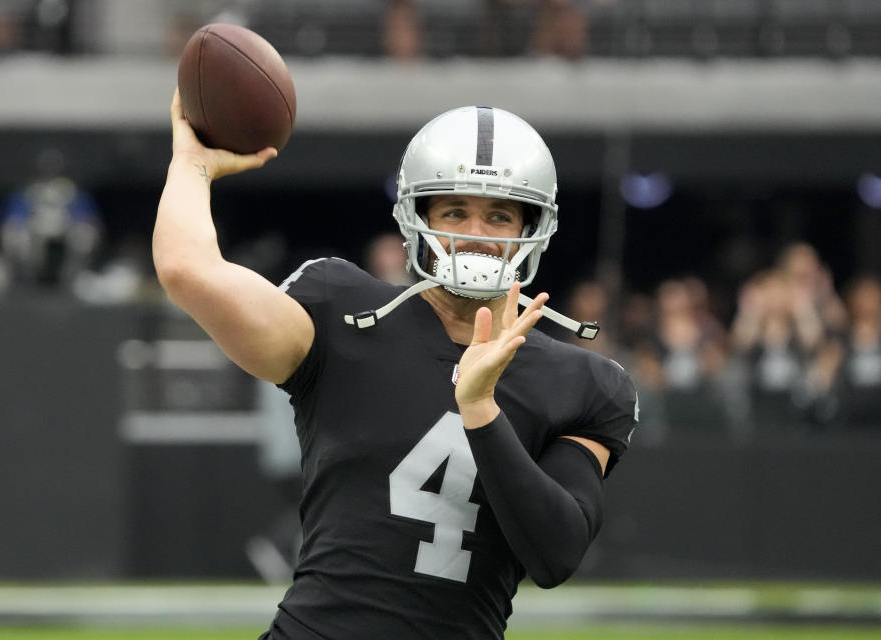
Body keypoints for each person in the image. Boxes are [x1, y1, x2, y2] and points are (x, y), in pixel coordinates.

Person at [154, 91, 639, 639]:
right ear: (415, 220)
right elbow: (186, 270)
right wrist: (192, 165)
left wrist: (480, 410)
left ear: (531, 231)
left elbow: (557, 554)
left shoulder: (582, 382)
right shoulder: (341, 312)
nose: (475, 234)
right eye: (454, 211)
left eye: (499, 214)